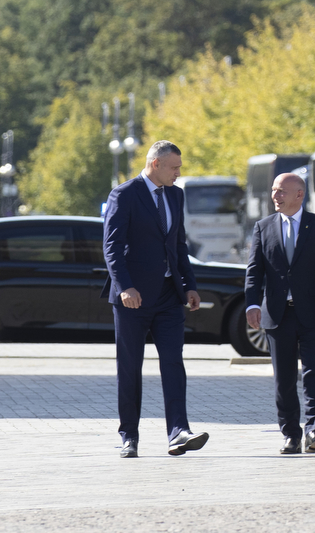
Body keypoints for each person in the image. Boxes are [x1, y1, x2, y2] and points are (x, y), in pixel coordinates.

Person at [101, 140, 208, 459]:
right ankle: (128, 436)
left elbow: (178, 245)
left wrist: (189, 284)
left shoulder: (176, 194)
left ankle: (178, 432)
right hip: (133, 298)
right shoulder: (124, 194)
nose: (179, 173)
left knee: (173, 362)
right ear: (156, 164)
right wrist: (125, 287)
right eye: (174, 167)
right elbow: (112, 247)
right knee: (130, 367)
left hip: (168, 297)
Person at [244, 172, 315, 455]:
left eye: (281, 191)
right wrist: (251, 304)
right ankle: (291, 435)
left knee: (314, 374)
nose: (275, 196)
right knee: (284, 378)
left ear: (300, 194)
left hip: (313, 315)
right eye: (274, 190)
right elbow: (254, 272)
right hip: (277, 315)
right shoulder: (263, 227)